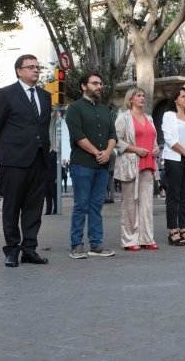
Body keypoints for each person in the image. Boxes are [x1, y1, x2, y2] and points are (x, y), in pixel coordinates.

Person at [0, 54, 52, 267]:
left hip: (39, 160)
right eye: (31, 67)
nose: (36, 70)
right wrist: (4, 153)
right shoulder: (5, 94)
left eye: (37, 66)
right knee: (12, 207)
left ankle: (29, 249)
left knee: (34, 208)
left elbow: (43, 128)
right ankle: (12, 250)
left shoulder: (45, 96)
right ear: (19, 71)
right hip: (13, 161)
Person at [65, 72, 117, 259]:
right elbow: (78, 136)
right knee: (81, 205)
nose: (99, 86)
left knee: (96, 205)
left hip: (102, 166)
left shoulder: (105, 109)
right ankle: (76, 244)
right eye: (95, 83)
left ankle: (96, 245)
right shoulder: (75, 109)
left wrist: (108, 152)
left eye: (100, 83)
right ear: (83, 86)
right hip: (83, 164)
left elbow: (113, 135)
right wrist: (97, 153)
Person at [114, 87, 160, 251]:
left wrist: (156, 149)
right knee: (130, 204)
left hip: (148, 163)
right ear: (130, 99)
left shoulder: (149, 118)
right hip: (131, 164)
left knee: (147, 204)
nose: (142, 98)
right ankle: (130, 239)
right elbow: (115, 140)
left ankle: (146, 237)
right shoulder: (123, 118)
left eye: (143, 95)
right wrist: (135, 149)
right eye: (138, 95)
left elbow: (153, 139)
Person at [162, 87, 185, 246]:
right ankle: (173, 230)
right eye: (183, 96)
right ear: (176, 99)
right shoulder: (169, 115)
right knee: (174, 195)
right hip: (175, 159)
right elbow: (169, 138)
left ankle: (184, 228)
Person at [44, 149, 58, 215]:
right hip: (45, 178)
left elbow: (56, 167)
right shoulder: (44, 153)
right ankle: (48, 211)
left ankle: (56, 209)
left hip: (53, 178)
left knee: (54, 195)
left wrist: (56, 177)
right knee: (47, 196)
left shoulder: (55, 154)